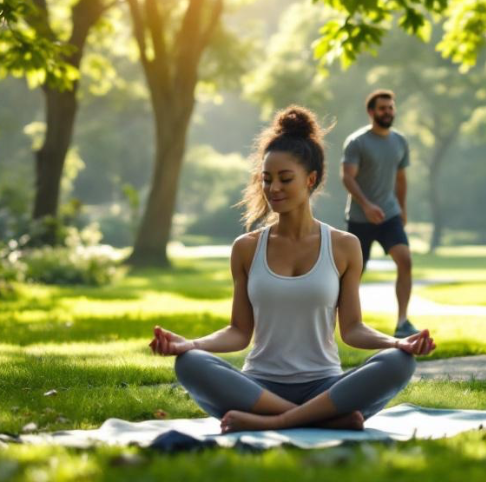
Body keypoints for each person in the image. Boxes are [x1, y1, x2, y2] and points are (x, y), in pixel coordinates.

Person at [148, 106, 436, 434]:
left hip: (324, 387)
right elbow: (239, 332)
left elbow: (353, 329)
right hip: (259, 390)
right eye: (266, 180)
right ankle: (323, 419)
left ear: (310, 180)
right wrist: (189, 345)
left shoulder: (344, 246)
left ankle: (279, 422)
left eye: (285, 179)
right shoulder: (246, 248)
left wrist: (397, 344)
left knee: (398, 362)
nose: (273, 189)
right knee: (190, 364)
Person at [341, 89, 417, 338]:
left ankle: (403, 322)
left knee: (405, 260)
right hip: (360, 218)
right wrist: (366, 205)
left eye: (391, 107)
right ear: (371, 112)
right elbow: (347, 178)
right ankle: (338, 323)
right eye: (383, 108)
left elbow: (401, 178)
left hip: (390, 215)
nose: (388, 112)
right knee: (353, 273)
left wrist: (403, 209)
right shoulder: (357, 142)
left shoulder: (400, 141)